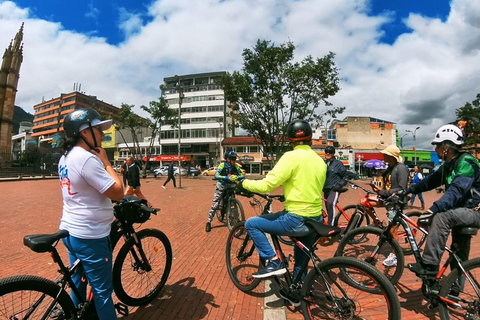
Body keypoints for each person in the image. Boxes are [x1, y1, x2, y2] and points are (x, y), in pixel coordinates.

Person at [236, 119, 327, 307]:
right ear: (309, 138)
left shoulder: (290, 157)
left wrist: (243, 183)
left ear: (290, 139)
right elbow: (309, 186)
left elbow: (267, 184)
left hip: (296, 219)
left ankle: (274, 261)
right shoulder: (320, 161)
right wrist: (290, 194)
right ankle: (297, 291)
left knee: (252, 224)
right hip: (316, 218)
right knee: (302, 254)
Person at [58, 108, 124, 320]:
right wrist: (106, 162)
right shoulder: (87, 159)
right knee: (103, 293)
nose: (103, 134)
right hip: (90, 236)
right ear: (84, 132)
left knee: (77, 282)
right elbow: (118, 192)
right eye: (98, 129)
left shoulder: (65, 157)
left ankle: (74, 315)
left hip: (70, 231)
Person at [407, 124, 480, 277]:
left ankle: (429, 265)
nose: (435, 150)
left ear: (446, 147)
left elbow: (456, 192)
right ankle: (452, 293)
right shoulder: (449, 165)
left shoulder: (466, 162)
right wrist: (408, 190)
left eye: (437, 146)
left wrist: (434, 208)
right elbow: (428, 182)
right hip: (461, 211)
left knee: (441, 217)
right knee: (458, 257)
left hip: (475, 211)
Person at [370, 144, 410, 267]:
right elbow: (387, 183)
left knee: (393, 230)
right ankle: (378, 224)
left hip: (396, 201)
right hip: (387, 198)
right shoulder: (390, 168)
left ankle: (395, 255)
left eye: (385, 154)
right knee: (365, 202)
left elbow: (401, 189)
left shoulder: (401, 168)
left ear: (391, 156)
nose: (383, 156)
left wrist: (383, 192)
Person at [205, 151, 245, 232]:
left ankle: (237, 218)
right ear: (227, 159)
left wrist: (237, 176)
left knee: (234, 203)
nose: (234, 160)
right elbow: (216, 175)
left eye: (235, 159)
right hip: (221, 185)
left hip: (231, 186)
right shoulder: (222, 165)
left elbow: (242, 175)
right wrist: (226, 177)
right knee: (215, 203)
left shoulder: (236, 166)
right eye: (233, 159)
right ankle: (209, 221)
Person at [323, 146, 348, 226]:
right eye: (326, 151)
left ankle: (331, 227)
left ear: (333, 154)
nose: (327, 153)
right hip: (326, 189)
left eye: (330, 152)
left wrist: (340, 185)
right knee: (328, 208)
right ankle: (331, 223)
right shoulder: (323, 163)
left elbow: (346, 175)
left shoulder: (338, 164)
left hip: (334, 188)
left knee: (330, 203)